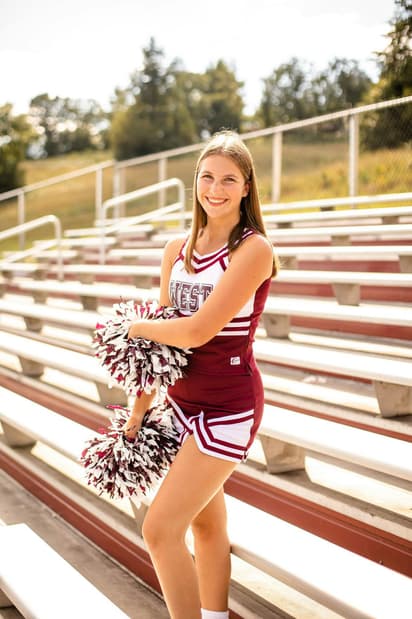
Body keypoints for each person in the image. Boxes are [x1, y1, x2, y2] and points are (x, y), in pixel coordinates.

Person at [124, 130, 278, 619]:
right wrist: (139, 410)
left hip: (229, 408)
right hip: (182, 406)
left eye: (228, 179)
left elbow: (197, 332)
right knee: (206, 528)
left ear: (247, 186)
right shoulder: (176, 249)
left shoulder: (253, 251)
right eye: (206, 177)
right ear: (195, 182)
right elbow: (162, 344)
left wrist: (129, 325)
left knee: (158, 529)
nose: (215, 188)